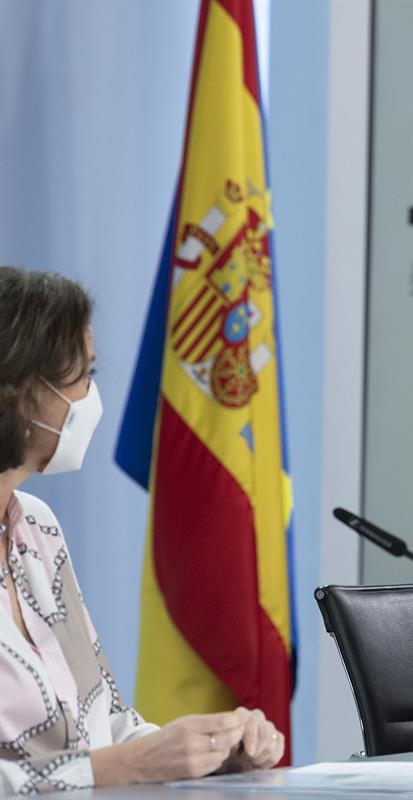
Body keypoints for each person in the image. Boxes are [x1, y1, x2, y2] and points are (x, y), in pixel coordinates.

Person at [0, 267, 284, 793]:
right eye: (84, 375)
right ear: (21, 390)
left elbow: (107, 729)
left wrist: (208, 751)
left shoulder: (37, 528)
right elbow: (110, 767)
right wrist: (128, 766)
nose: (91, 397)